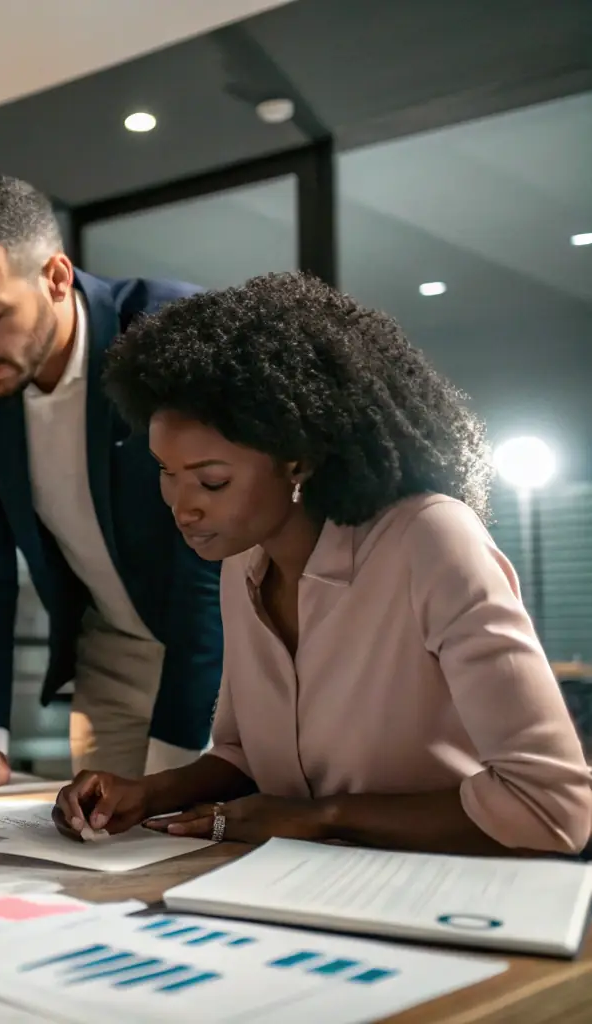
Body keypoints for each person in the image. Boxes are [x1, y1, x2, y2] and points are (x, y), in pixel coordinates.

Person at [55, 271, 592, 856]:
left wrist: (319, 818)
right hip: (299, 887)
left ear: (298, 463)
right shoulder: (244, 563)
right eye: (166, 472)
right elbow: (244, 756)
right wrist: (148, 792)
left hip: (450, 898)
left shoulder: (431, 540)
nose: (183, 508)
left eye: (212, 480)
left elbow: (553, 808)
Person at [0, 175, 223, 799]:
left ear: (55, 277)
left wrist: (174, 769)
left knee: (206, 840)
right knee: (103, 851)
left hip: (233, 640)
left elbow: (204, 557)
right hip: (115, 652)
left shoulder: (167, 331)